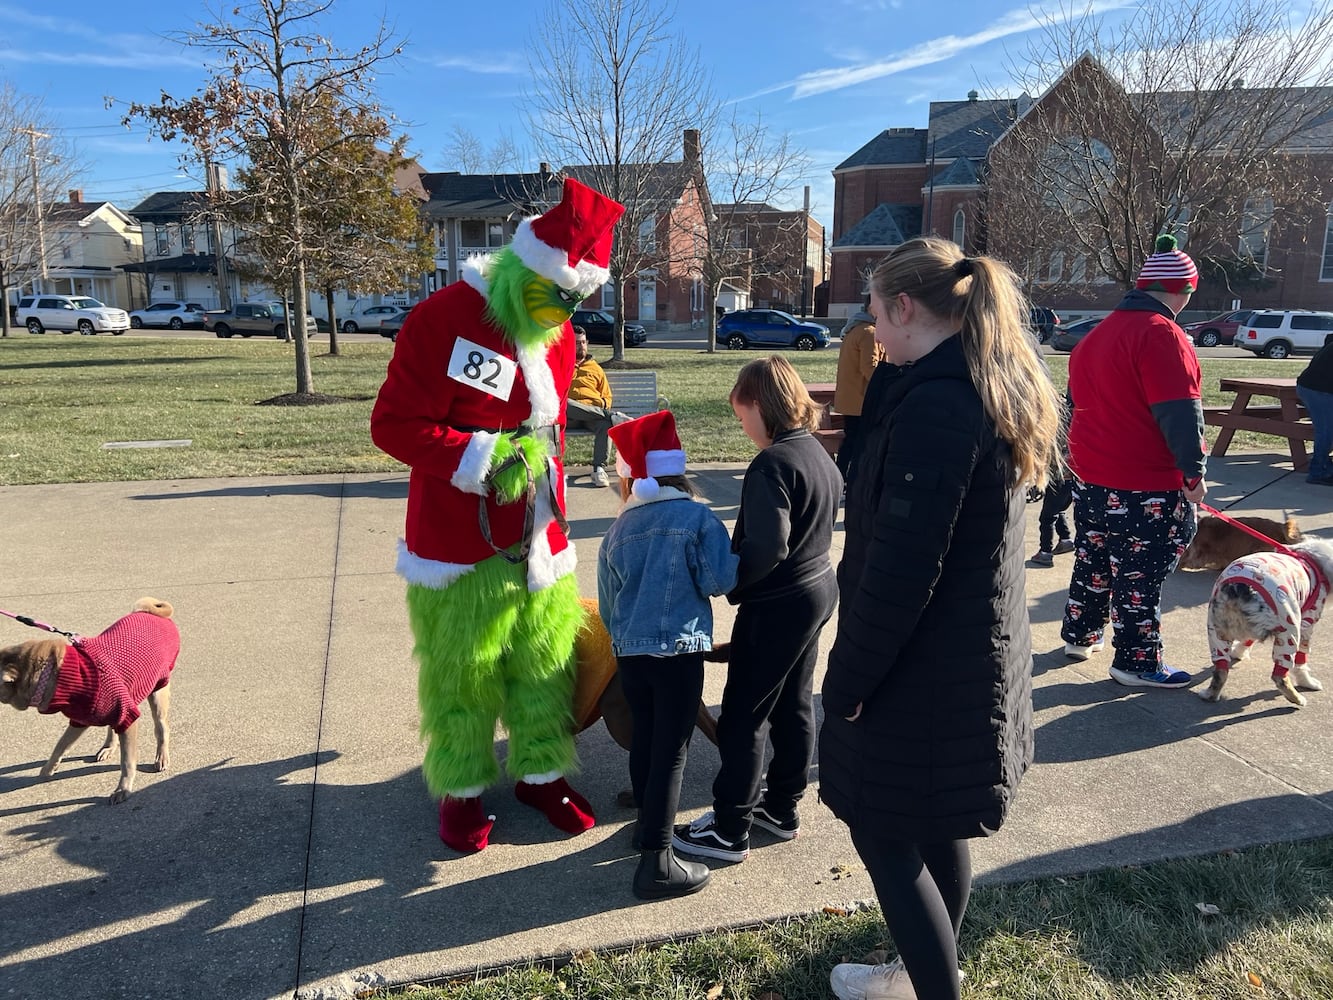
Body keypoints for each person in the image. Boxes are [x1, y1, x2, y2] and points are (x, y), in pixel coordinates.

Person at [820, 237, 1062, 1000]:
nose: (868, 334)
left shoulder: (938, 406)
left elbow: (901, 569)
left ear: (904, 307)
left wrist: (849, 678)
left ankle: (930, 989)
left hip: (924, 668)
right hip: (958, 655)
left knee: (885, 836)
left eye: (872, 315)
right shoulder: (970, 385)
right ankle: (920, 975)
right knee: (934, 823)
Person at [370, 178, 624, 853]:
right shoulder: (442, 320)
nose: (565, 312)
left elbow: (553, 423)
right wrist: (485, 458)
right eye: (557, 295)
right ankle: (460, 789)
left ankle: (540, 773)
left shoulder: (561, 335)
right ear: (521, 266)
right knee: (465, 673)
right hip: (460, 544)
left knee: (544, 665)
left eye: (576, 300)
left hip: (542, 540)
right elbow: (393, 425)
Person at [672, 356, 842, 864]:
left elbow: (768, 546)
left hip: (779, 603)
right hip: (816, 591)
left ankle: (728, 829)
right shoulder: (815, 452)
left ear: (761, 406)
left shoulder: (772, 463)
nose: (742, 428)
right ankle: (783, 808)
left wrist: (732, 584)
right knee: (793, 704)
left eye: (742, 416)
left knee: (744, 715)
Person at [596, 410, 739, 900]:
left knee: (647, 742)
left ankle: (644, 829)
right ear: (678, 471)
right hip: (678, 652)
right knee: (673, 751)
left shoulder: (618, 529)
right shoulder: (696, 518)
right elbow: (722, 580)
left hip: (630, 656)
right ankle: (659, 862)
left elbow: (610, 605)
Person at [1059, 234, 1208, 689]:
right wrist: (1194, 472)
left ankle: (1080, 635)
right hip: (1146, 483)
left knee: (1093, 559)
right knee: (1141, 574)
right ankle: (1137, 662)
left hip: (1092, 476)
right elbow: (1181, 413)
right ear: (1183, 291)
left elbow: (1071, 406)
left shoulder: (1096, 335)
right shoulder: (1163, 335)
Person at [833, 296, 885, 483]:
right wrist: (887, 385)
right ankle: (849, 479)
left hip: (850, 398)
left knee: (851, 441)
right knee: (859, 443)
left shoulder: (853, 329)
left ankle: (841, 478)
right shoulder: (868, 333)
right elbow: (869, 367)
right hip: (862, 399)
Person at [566, 326, 620, 487]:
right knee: (565, 403)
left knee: (605, 424)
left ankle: (598, 470)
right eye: (576, 343)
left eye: (583, 342)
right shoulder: (562, 364)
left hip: (592, 416)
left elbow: (606, 397)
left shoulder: (595, 368)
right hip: (569, 415)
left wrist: (602, 406)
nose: (580, 346)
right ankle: (613, 417)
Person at [1030, 400, 1075, 566]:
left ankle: (1045, 552)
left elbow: (1045, 453)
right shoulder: (1074, 426)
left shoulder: (1054, 431)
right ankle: (1066, 540)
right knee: (1059, 509)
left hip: (1059, 478)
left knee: (1047, 517)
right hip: (1073, 478)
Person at [1296, 332, 1333, 487]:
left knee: (1327, 430)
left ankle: (1324, 464)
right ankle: (1318, 471)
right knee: (1326, 431)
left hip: (1312, 386)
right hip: (1318, 389)